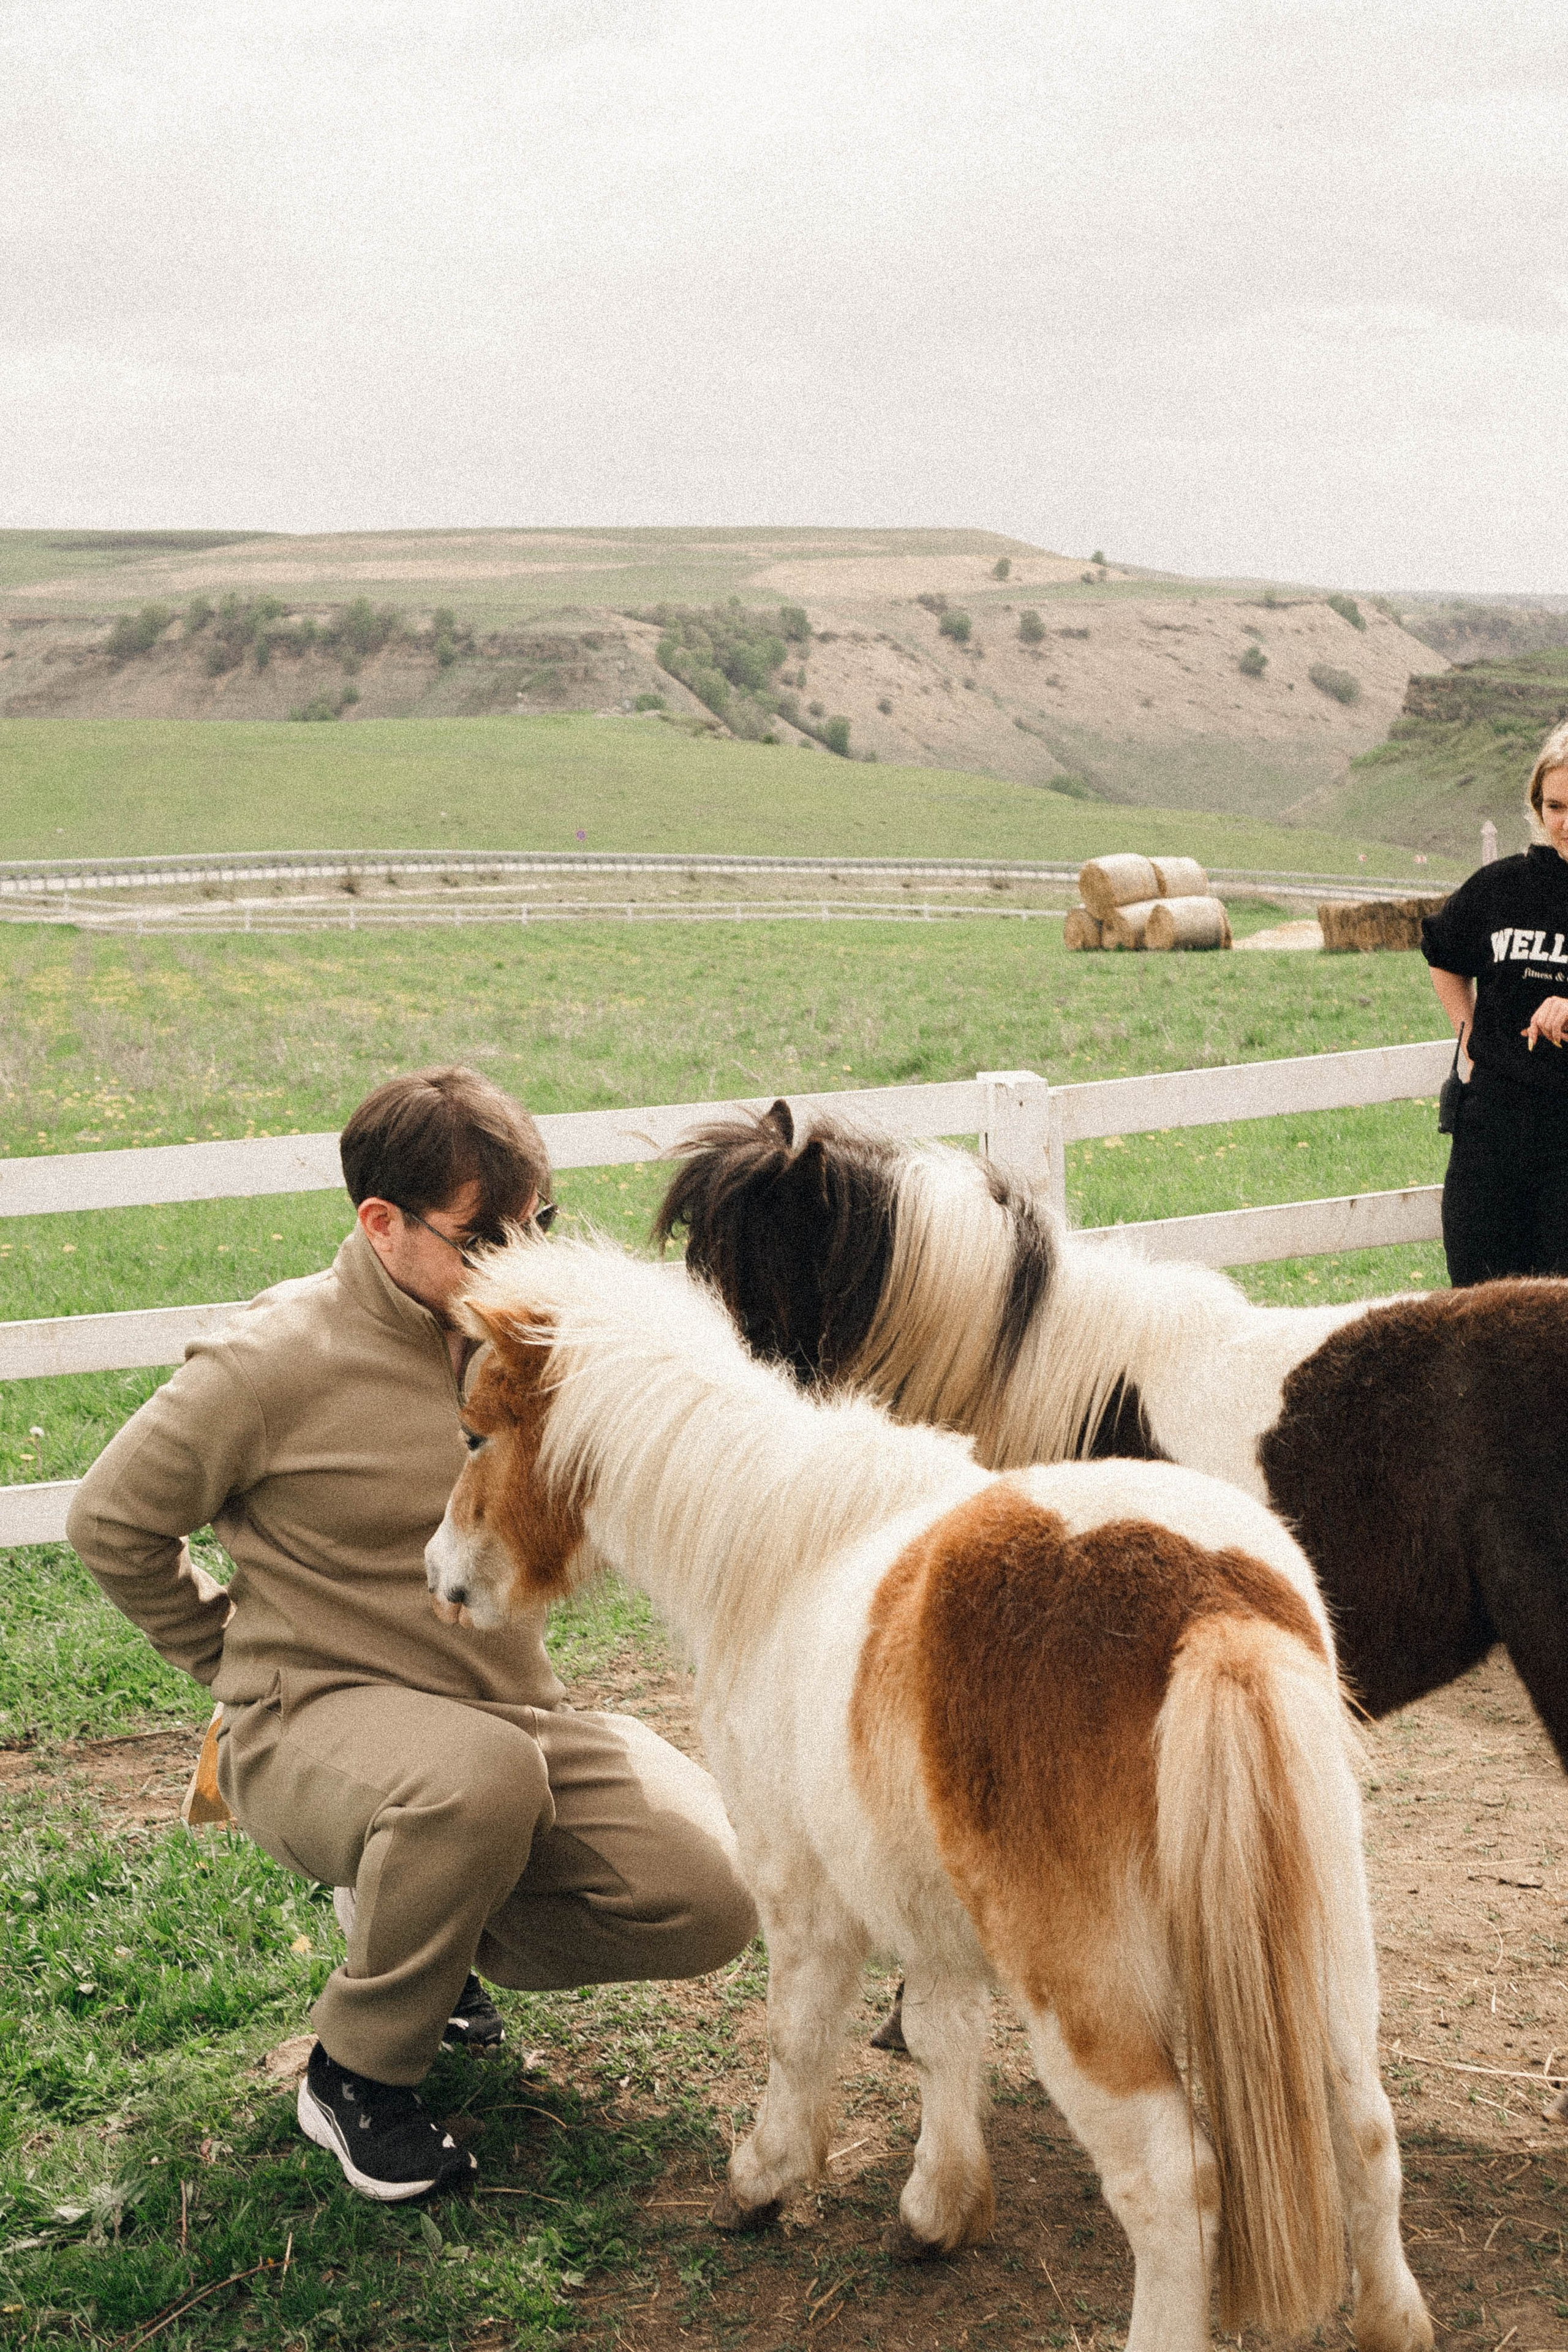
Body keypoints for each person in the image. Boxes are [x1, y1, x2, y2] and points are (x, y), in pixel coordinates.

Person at [66, 1068, 756, 2203]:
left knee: (711, 1892)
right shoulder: (269, 1362)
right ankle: (357, 2076)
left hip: (508, 1720)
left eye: (540, 1220)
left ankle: (418, 1941)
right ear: (381, 1225)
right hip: (312, 1728)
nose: (522, 1254)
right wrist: (234, 1667)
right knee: (475, 1782)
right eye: (484, 1232)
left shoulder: (534, 1340)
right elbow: (110, 1522)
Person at [1422, 720, 1568, 1285]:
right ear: (1537, 808)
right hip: (1490, 1136)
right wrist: (1471, 1038)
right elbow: (1443, 954)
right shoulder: (1500, 887)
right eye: (1555, 805)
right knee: (1478, 1315)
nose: (1566, 822)